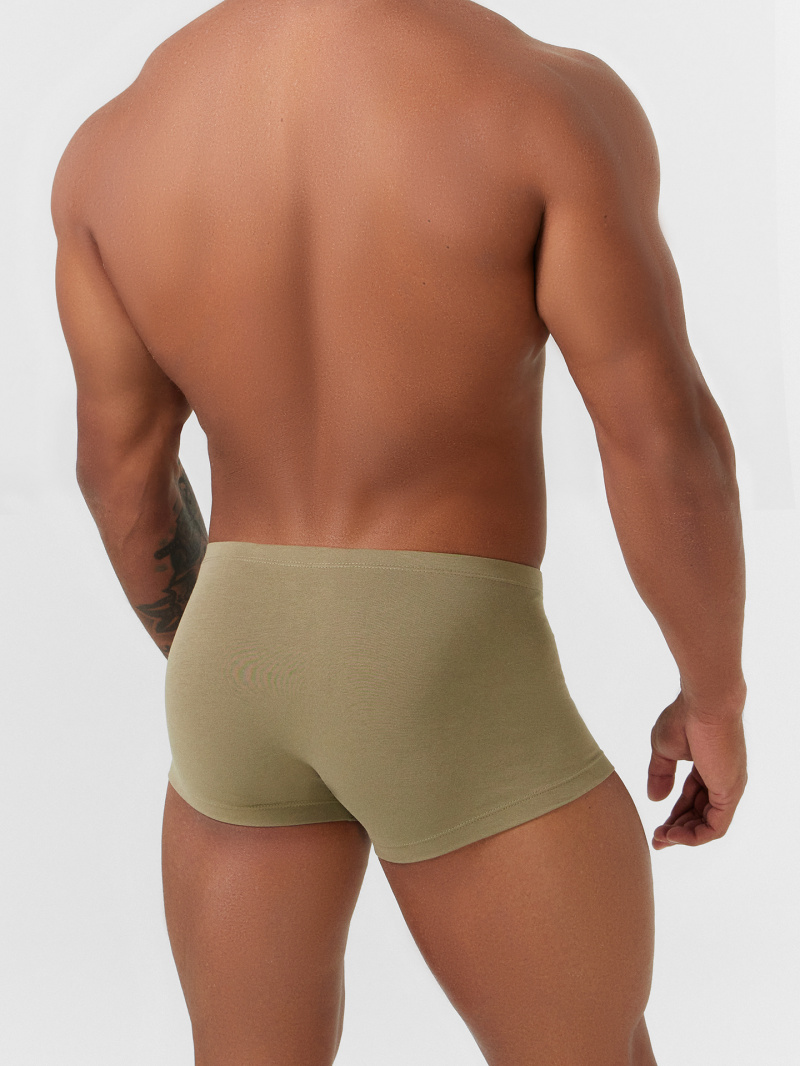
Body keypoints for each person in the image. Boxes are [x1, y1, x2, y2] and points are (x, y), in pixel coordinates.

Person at [50, 0, 747, 1063]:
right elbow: (663, 442)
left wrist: (258, 656)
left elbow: (119, 475)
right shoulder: (542, 102)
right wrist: (712, 694)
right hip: (449, 664)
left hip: (234, 661)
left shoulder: (116, 141)